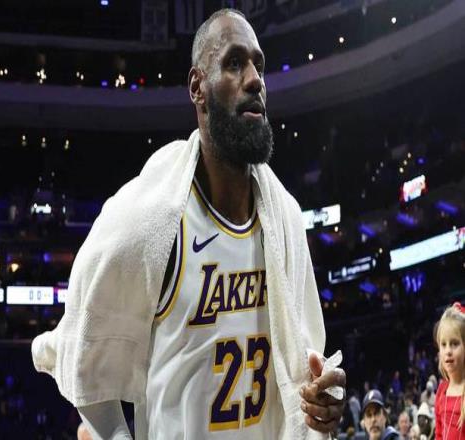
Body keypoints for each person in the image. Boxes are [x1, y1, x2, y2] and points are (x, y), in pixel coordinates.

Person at [31, 8, 346, 439]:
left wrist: (322, 400)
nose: (255, 79)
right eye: (234, 63)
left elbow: (304, 364)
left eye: (259, 65)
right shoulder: (149, 219)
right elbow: (83, 358)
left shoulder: (285, 218)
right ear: (198, 87)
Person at [434, 303, 465, 440]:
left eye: (454, 343)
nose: (448, 351)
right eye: (443, 344)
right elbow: (439, 435)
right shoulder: (441, 390)